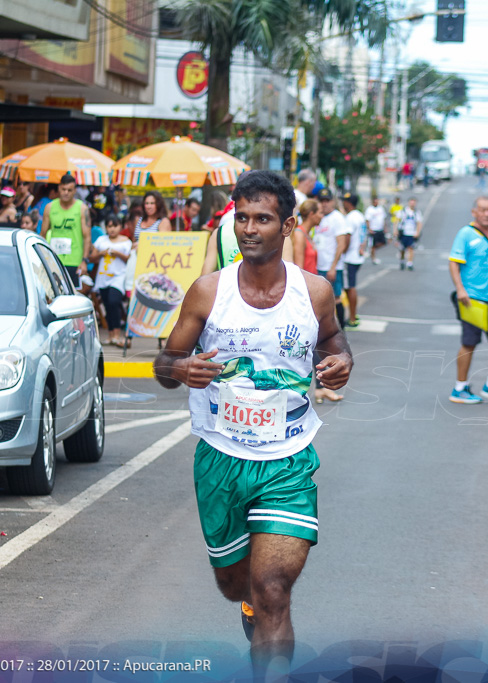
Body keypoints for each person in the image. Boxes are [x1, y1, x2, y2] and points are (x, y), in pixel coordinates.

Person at [152, 170, 352, 677]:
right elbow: (164, 365)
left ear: (286, 227)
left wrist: (341, 362)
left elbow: (335, 344)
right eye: (241, 217)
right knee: (236, 585)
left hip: (287, 460)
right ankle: (245, 603)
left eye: (262, 219)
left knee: (274, 591)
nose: (248, 228)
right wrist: (181, 368)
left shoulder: (315, 293)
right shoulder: (207, 292)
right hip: (221, 459)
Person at [448, 196, 488, 404]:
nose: (487, 214)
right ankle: (459, 388)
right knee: (469, 344)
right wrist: (460, 290)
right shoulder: (465, 234)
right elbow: (454, 263)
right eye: (483, 210)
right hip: (472, 299)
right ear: (474, 212)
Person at [41, 173, 91, 287]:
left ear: (75, 191)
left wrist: (84, 261)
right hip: (54, 260)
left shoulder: (82, 208)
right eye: (63, 189)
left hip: (74, 261)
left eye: (69, 190)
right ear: (59, 188)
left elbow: (87, 236)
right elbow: (43, 234)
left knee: (73, 296)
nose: (66, 193)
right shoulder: (50, 207)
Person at [90, 214, 132, 346]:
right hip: (103, 277)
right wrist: (100, 253)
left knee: (114, 302)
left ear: (120, 226)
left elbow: (130, 260)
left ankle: (117, 334)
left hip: (119, 277)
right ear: (106, 227)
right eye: (109, 226)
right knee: (107, 305)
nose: (112, 229)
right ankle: (110, 335)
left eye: (115, 226)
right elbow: (92, 258)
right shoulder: (101, 240)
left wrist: (117, 253)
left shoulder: (126, 241)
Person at [312, 188, 351, 330]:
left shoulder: (337, 218)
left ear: (333, 202)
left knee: (336, 298)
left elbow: (341, 244)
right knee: (321, 300)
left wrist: (333, 266)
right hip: (319, 266)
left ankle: (341, 329)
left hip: (331, 266)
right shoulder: (318, 217)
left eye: (327, 201)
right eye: (321, 201)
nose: (324, 204)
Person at [341, 193, 367, 328]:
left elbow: (347, 238)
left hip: (350, 257)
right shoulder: (360, 216)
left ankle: (352, 317)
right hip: (357, 256)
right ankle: (353, 314)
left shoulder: (350, 218)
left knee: (350, 287)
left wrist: (341, 252)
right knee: (351, 287)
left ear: (348, 203)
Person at [293, 199, 319, 275]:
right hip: (306, 283)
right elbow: (299, 267)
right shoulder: (299, 234)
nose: (322, 216)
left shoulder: (307, 234)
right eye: (320, 213)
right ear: (311, 214)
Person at [398, 196, 423, 271]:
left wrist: (417, 232)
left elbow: (419, 223)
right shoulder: (403, 211)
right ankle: (402, 261)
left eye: (414, 202)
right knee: (402, 248)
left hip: (412, 233)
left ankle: (409, 263)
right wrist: (395, 231)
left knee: (411, 248)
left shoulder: (417, 212)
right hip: (403, 232)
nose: (412, 204)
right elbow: (397, 221)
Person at [364, 196, 387, 264]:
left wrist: (385, 227)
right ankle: (373, 258)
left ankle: (371, 251)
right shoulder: (370, 209)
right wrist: (369, 228)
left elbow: (383, 218)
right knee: (373, 245)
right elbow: (367, 220)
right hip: (373, 229)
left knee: (383, 242)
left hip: (380, 229)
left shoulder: (381, 209)